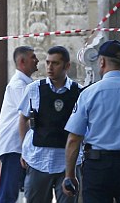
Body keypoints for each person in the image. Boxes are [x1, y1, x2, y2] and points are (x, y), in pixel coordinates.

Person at [63, 40, 120, 203]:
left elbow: (74, 138)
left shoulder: (89, 94)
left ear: (102, 61)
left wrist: (70, 175)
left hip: (98, 166)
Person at [18, 45, 81, 203]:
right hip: (39, 159)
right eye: (47, 62)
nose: (50, 67)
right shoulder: (34, 89)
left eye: (55, 63)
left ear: (67, 66)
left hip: (68, 163)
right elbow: (22, 118)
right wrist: (23, 149)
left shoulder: (79, 92)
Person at [0, 46, 39, 203]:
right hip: (14, 146)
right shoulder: (19, 85)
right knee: (10, 194)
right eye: (33, 57)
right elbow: (33, 112)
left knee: (21, 192)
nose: (37, 60)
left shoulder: (26, 83)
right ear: (22, 61)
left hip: (20, 146)